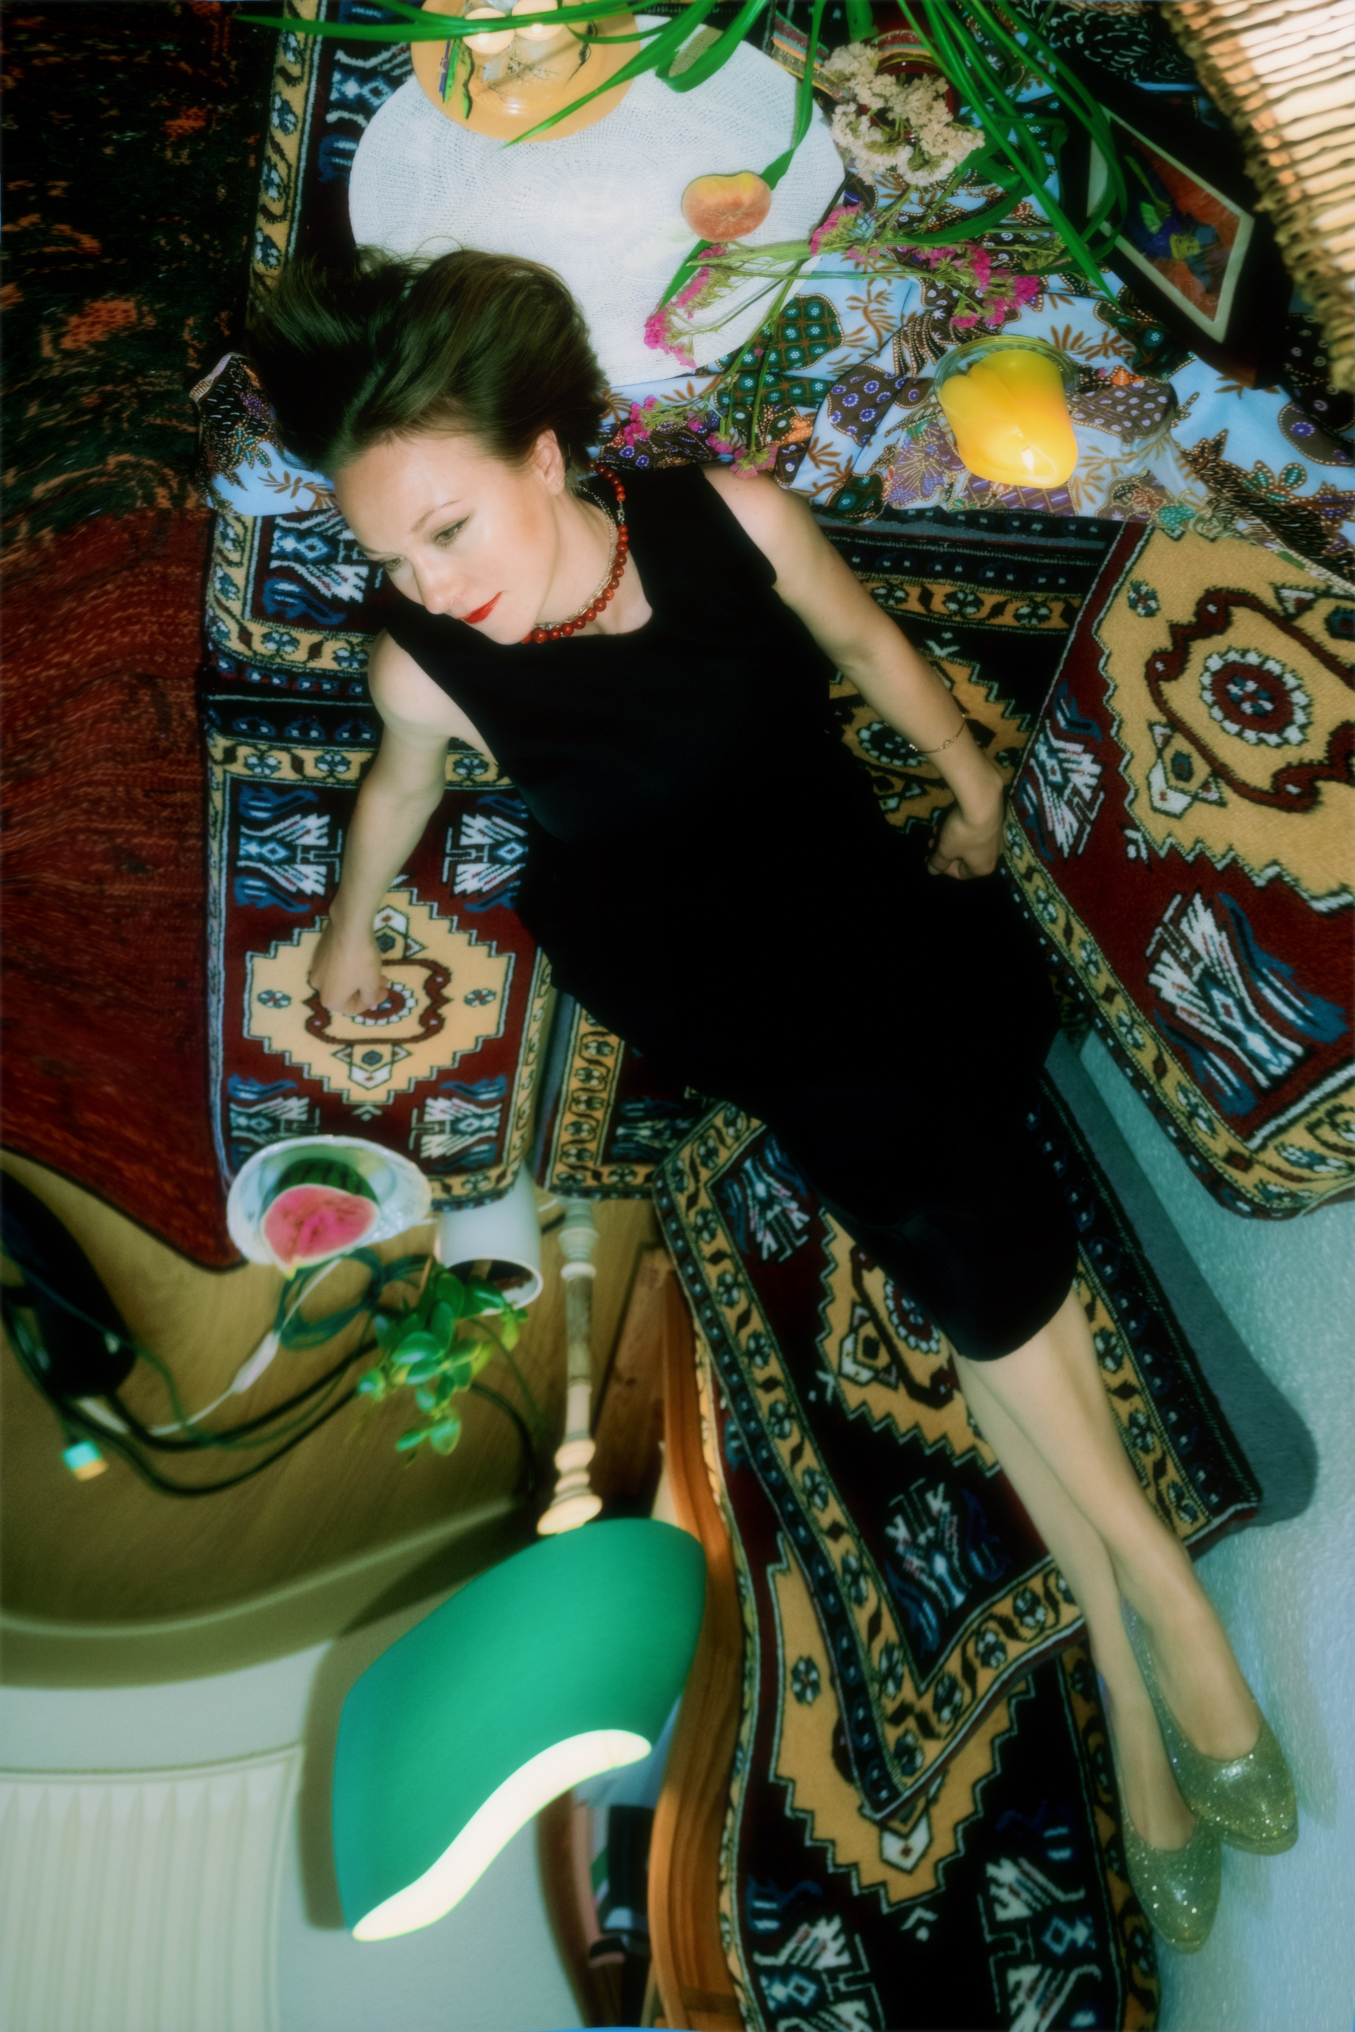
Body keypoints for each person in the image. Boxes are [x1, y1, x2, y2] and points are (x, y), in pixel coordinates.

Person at [247, 246, 1296, 1949]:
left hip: (854, 897)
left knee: (941, 1198)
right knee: (921, 1144)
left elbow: (869, 645)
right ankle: (1165, 1597)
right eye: (391, 557)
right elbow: (394, 794)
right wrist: (352, 930)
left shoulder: (730, 522)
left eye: (447, 528)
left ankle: (1124, 1638)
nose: (429, 585)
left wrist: (969, 784)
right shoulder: (426, 664)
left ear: (544, 455)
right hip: (697, 965)